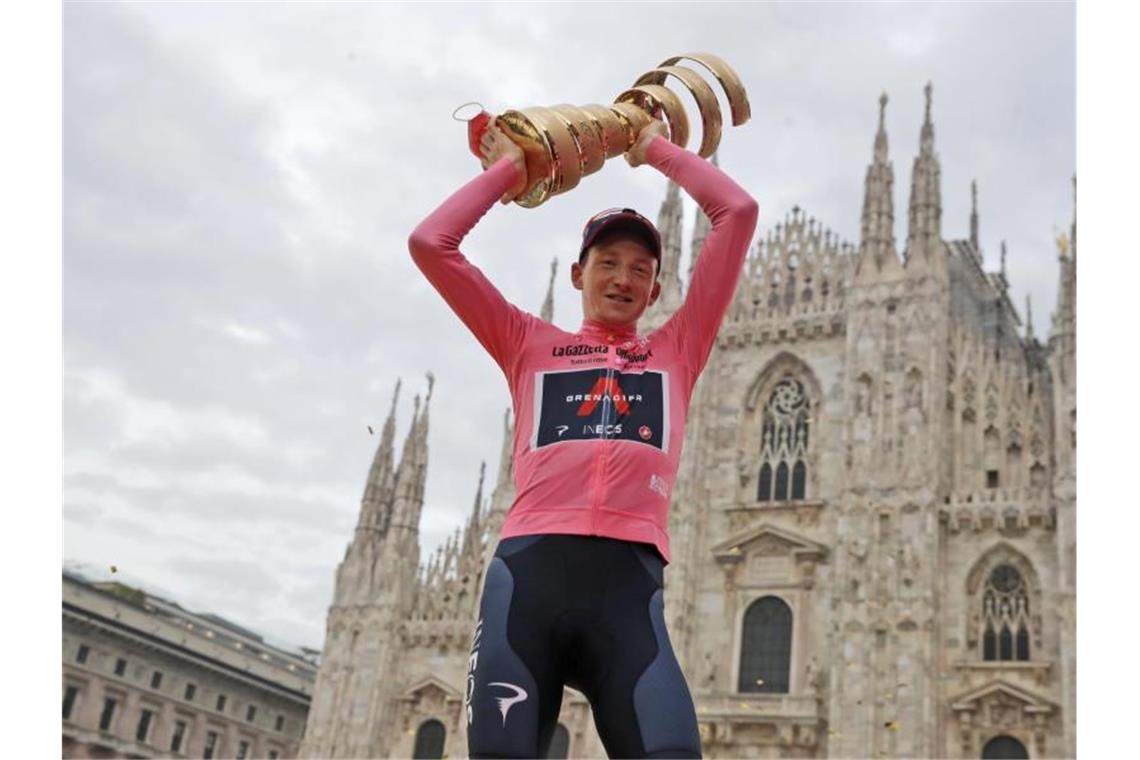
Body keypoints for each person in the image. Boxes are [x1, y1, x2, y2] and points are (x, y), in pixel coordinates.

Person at [408, 116, 757, 759]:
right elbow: (432, 243)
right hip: (527, 587)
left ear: (657, 287)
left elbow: (736, 210)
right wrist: (515, 168)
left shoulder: (677, 352)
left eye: (641, 269)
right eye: (609, 262)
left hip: (626, 597)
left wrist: (646, 146)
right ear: (578, 273)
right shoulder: (527, 344)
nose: (624, 278)